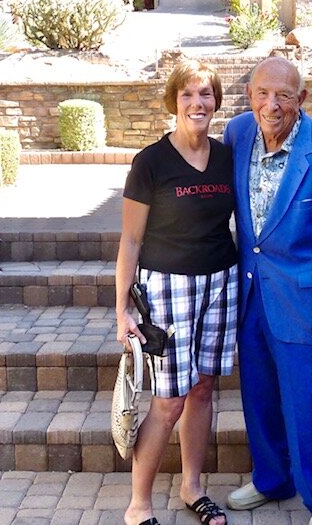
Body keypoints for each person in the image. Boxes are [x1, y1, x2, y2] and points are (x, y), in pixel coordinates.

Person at [223, 56, 312, 525]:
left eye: (284, 95)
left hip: (305, 301)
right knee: (259, 397)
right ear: (249, 95)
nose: (272, 105)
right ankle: (272, 479)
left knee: (309, 404)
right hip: (251, 296)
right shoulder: (237, 133)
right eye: (263, 93)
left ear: (302, 99)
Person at [116, 59, 237, 525]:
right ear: (174, 102)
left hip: (220, 283)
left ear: (215, 102)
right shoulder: (150, 163)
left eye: (205, 94)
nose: (197, 103)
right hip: (166, 290)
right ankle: (138, 505)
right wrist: (122, 307)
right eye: (187, 95)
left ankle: (192, 488)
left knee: (204, 389)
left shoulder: (226, 157)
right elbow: (130, 240)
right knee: (169, 401)